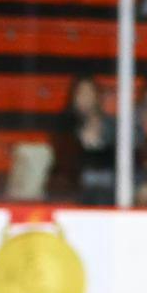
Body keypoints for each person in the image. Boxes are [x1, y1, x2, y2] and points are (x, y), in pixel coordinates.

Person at [50, 75, 118, 203]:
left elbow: (116, 156)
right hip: (75, 176)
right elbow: (63, 156)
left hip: (106, 177)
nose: (85, 98)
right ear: (73, 97)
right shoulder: (66, 122)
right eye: (81, 93)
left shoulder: (109, 124)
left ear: (96, 96)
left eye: (89, 93)